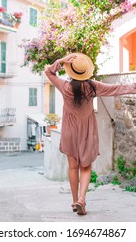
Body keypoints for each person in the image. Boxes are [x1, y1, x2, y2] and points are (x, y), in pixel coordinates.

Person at [45, 52, 136, 215]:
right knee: (85, 166)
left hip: (69, 131)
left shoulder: (64, 86)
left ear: (71, 70)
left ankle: (74, 202)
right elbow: (117, 88)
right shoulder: (92, 86)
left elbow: (48, 72)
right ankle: (82, 199)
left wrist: (60, 61)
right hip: (87, 130)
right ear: (85, 71)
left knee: (73, 166)